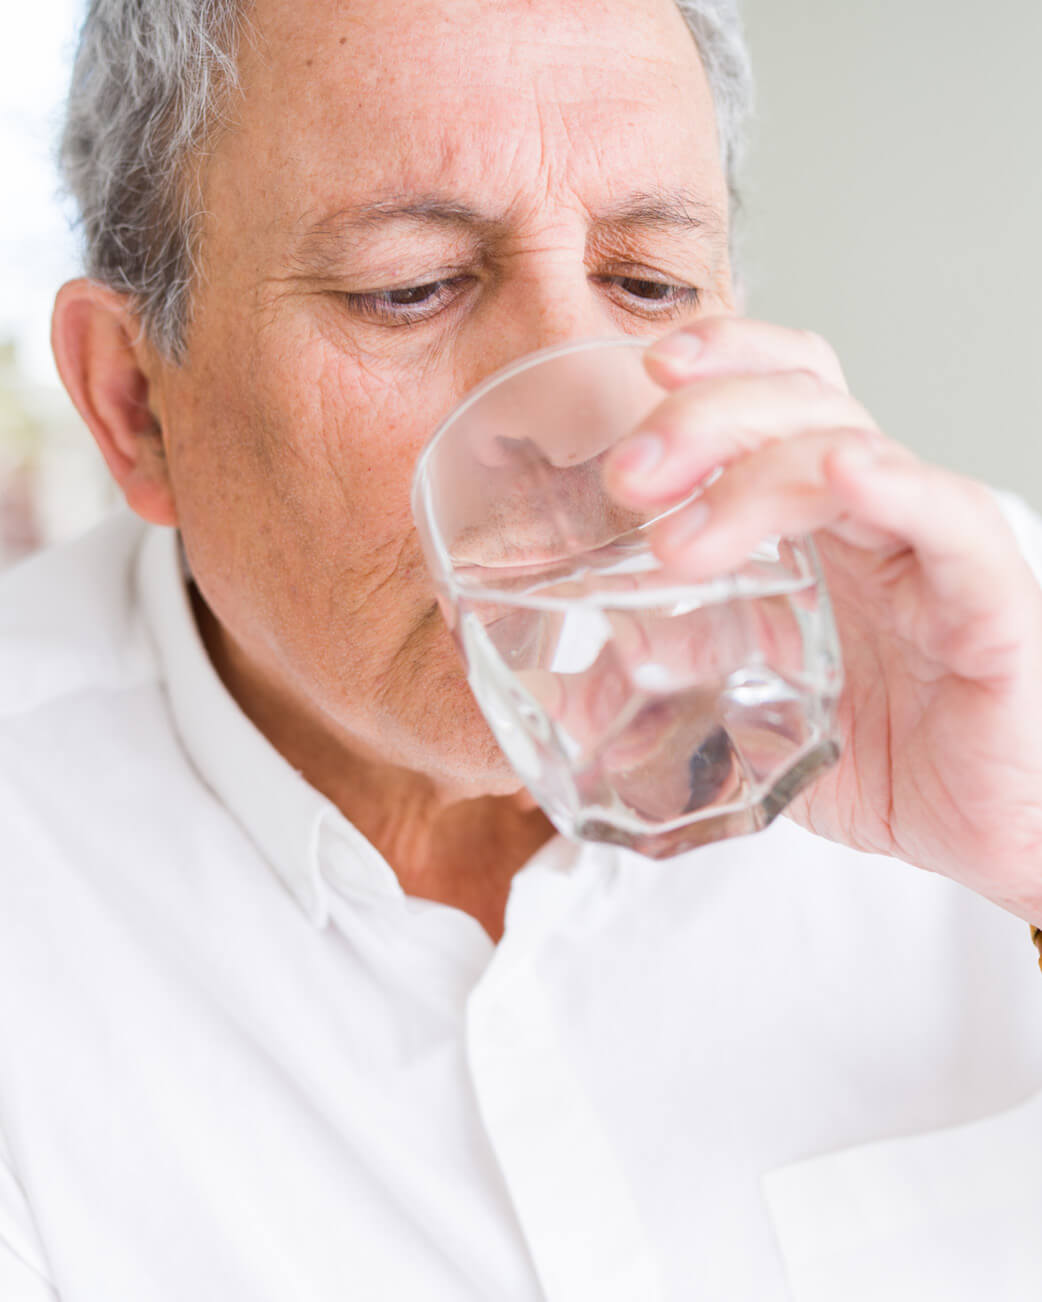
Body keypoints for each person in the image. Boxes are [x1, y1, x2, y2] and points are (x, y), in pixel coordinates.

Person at [2, 0, 1041, 1298]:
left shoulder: (978, 645)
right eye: (409, 290)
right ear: (135, 402)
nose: (584, 420)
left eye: (649, 284)